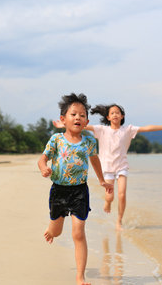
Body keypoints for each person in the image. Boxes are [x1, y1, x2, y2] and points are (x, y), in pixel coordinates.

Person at [54, 104, 162, 230]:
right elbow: (82, 125)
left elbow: (146, 128)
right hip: (107, 168)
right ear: (108, 117)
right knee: (110, 196)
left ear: (122, 116)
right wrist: (63, 124)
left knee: (122, 194)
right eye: (112, 113)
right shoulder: (102, 130)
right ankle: (108, 202)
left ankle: (119, 221)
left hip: (121, 166)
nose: (115, 115)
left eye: (117, 112)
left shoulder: (128, 130)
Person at [38, 93, 113, 285]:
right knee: (57, 232)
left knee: (78, 233)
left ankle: (80, 277)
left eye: (82, 115)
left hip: (80, 191)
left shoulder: (88, 142)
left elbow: (95, 160)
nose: (78, 117)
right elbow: (42, 158)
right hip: (59, 191)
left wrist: (103, 181)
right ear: (63, 119)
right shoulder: (56, 140)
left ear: (86, 121)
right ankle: (51, 228)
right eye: (73, 114)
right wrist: (44, 168)